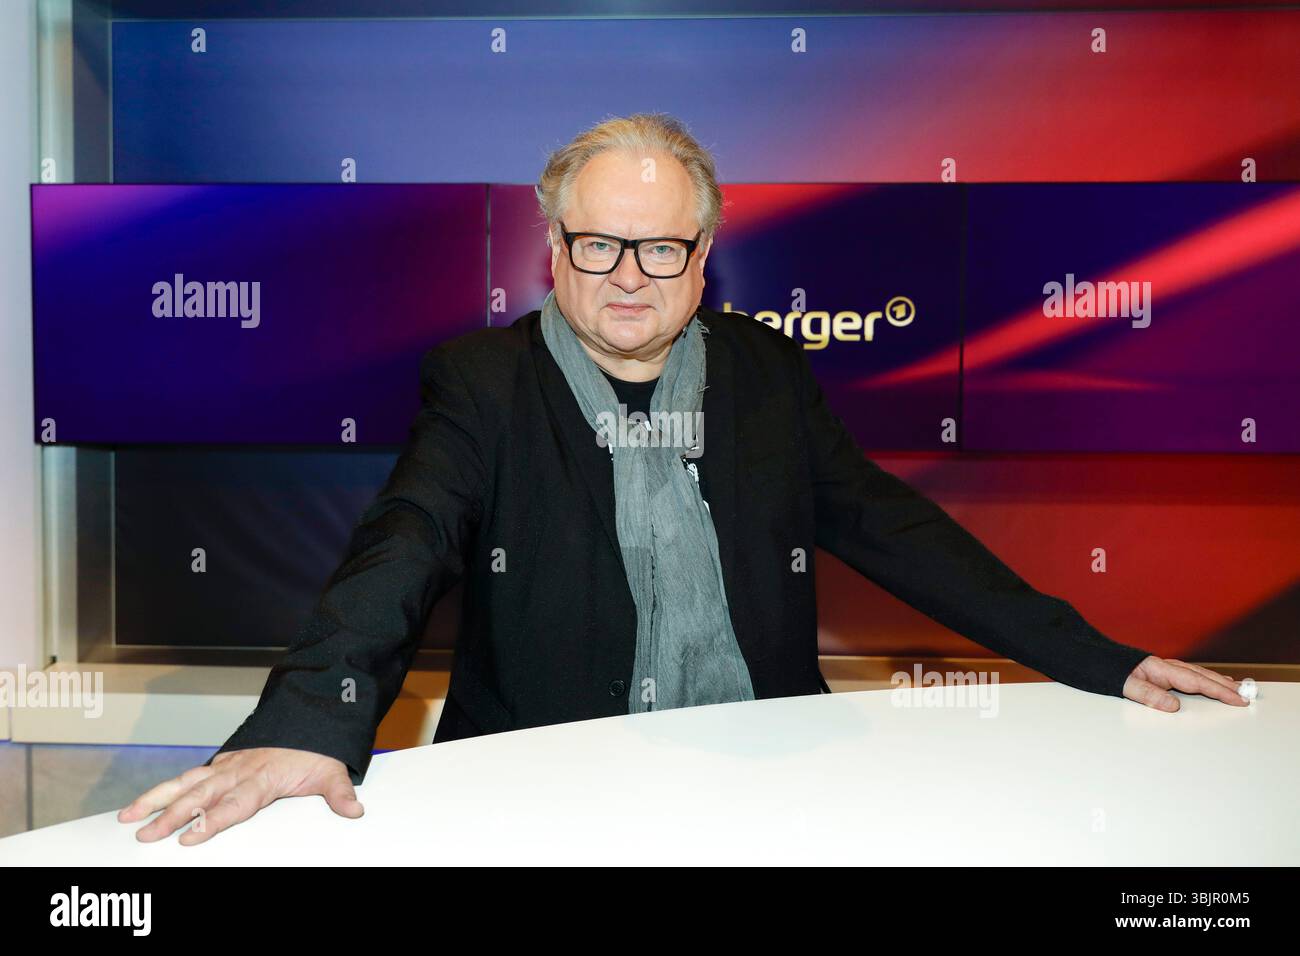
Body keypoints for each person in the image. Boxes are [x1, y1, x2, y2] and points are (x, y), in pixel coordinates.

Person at [119, 112, 1249, 847]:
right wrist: (313, 716)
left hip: (769, 784)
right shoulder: (481, 380)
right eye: (598, 245)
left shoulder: (765, 370)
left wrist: (1098, 659)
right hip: (539, 791)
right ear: (552, 249)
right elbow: (403, 542)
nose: (626, 279)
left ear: (703, 257)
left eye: (660, 248)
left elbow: (893, 528)